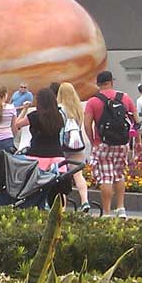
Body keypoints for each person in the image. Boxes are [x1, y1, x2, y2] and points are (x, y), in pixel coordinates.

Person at [84, 70, 136, 218]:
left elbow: (87, 124)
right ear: (111, 82)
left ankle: (106, 212)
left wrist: (93, 140)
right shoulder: (124, 98)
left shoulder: (93, 101)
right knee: (119, 175)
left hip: (102, 143)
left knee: (106, 177)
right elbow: (136, 120)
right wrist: (135, 141)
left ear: (98, 84)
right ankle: (121, 208)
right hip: (121, 143)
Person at [55, 82, 93, 213]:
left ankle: (62, 207)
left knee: (62, 176)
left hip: (62, 146)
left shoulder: (59, 109)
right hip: (77, 145)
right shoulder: (78, 109)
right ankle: (85, 201)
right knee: (78, 175)